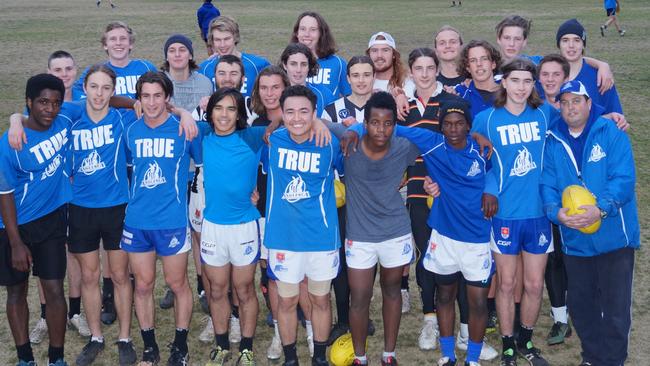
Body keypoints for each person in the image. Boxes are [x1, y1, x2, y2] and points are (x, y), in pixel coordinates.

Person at [540, 80, 638, 366]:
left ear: (588, 103)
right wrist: (555, 212)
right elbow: (547, 183)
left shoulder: (611, 133)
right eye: (565, 102)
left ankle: (613, 360)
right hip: (575, 240)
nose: (571, 107)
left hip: (614, 238)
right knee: (580, 306)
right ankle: (593, 357)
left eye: (577, 101)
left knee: (615, 309)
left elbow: (624, 178)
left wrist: (600, 209)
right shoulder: (553, 139)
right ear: (559, 105)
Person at [471, 58, 559, 366]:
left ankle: (526, 339)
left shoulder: (545, 114)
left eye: (527, 81)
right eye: (515, 81)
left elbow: (580, 121)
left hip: (537, 213)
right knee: (507, 284)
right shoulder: (487, 119)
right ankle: (508, 344)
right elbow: (474, 157)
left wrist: (613, 115)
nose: (521, 87)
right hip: (505, 214)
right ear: (503, 82)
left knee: (534, 284)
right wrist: (489, 187)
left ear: (533, 85)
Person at [121, 71, 201, 366]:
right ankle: (149, 346)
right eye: (146, 96)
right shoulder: (130, 131)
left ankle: (180, 345)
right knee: (142, 285)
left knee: (177, 283)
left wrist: (185, 114)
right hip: (137, 222)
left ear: (168, 98)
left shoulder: (184, 129)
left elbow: (204, 164)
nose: (152, 102)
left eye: (158, 95)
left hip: (172, 221)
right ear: (139, 99)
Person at [408, 100, 496, 366]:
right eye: (447, 124)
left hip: (477, 239)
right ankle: (447, 355)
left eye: (459, 124)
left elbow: (494, 172)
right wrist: (354, 130)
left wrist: (491, 189)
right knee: (444, 295)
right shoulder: (433, 143)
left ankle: (472, 357)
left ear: (469, 126)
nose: (453, 129)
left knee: (478, 302)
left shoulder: (480, 149)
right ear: (440, 126)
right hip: (444, 237)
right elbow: (393, 129)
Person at [0, 73, 77, 366]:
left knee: (55, 290)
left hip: (51, 220)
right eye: (43, 102)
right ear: (29, 103)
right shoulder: (10, 144)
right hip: (12, 226)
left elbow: (105, 100)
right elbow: (4, 194)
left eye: (56, 103)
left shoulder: (65, 119)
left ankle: (56, 358)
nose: (50, 109)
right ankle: (25, 358)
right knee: (16, 290)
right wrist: (16, 243)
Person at [263, 85, 342, 366]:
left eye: (304, 112)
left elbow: (354, 137)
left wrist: (323, 124)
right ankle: (290, 358)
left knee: (320, 300)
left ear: (315, 113)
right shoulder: (273, 140)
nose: (297, 118)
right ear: (282, 114)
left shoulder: (329, 142)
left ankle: (319, 357)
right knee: (286, 301)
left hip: (321, 238)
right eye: (290, 112)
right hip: (284, 238)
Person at [341, 92, 421, 366]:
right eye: (375, 123)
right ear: (365, 123)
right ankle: (360, 357)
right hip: (360, 236)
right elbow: (320, 125)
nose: (381, 129)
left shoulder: (404, 146)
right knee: (360, 296)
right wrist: (350, 130)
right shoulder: (348, 146)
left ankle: (389, 354)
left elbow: (436, 138)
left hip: (395, 232)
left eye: (388, 123)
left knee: (391, 290)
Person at [201, 88, 268, 366]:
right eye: (219, 108)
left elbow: (279, 122)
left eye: (231, 109)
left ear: (240, 113)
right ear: (210, 112)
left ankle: (247, 348)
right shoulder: (202, 138)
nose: (224, 115)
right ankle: (221, 345)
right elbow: (171, 114)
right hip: (213, 227)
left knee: (244, 290)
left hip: (243, 226)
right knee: (217, 289)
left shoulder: (251, 137)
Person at [248, 65, 291, 360]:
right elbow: (246, 164)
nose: (270, 93)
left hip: (296, 210)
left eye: (275, 87)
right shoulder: (254, 127)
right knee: (272, 274)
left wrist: (279, 123)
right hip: (265, 211)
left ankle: (311, 330)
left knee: (300, 277)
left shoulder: (301, 120)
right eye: (264, 88)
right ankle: (278, 330)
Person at [73, 21, 157, 99]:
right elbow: (74, 92)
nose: (118, 43)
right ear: (105, 45)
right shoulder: (95, 71)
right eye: (113, 39)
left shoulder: (146, 68)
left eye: (123, 38)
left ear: (130, 44)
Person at [556, 18, 623, 115]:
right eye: (565, 40)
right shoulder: (548, 76)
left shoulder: (601, 77)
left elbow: (616, 119)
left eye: (577, 40)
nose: (571, 45)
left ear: (583, 44)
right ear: (559, 45)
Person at [198, 15, 270, 96]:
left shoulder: (258, 65)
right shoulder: (203, 69)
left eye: (227, 39)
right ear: (212, 41)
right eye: (217, 40)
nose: (222, 45)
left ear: (235, 37)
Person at [291, 11, 351, 97]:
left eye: (313, 30)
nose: (307, 34)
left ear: (321, 33)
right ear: (297, 33)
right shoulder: (288, 63)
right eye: (303, 29)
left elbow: (350, 97)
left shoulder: (338, 64)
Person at [279, 42, 334, 116]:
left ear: (309, 66)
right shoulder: (275, 93)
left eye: (303, 64)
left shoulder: (323, 94)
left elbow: (334, 123)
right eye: (293, 64)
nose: (298, 70)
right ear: (285, 65)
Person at [322, 55, 374, 125]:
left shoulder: (386, 107)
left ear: (374, 77)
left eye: (367, 75)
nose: (361, 80)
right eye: (355, 75)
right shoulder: (331, 110)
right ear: (348, 79)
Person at [455, 40, 502, 116]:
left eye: (484, 59)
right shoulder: (460, 93)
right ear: (468, 67)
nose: (479, 64)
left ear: (493, 64)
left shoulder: (508, 91)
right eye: (473, 60)